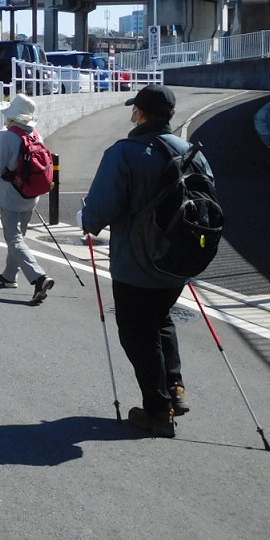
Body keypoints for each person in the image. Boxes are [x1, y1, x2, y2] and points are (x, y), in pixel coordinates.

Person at [81, 84, 196, 439]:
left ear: (141, 113)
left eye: (136, 109)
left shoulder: (124, 153)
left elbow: (99, 208)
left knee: (136, 334)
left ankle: (158, 412)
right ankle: (173, 386)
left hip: (136, 261)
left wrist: (88, 223)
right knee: (160, 319)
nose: (133, 114)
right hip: (178, 260)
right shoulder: (190, 151)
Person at [0, 93, 55, 304]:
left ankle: (38, 277)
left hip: (12, 194)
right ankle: (9, 276)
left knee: (13, 238)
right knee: (18, 238)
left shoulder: (9, 136)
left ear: (13, 115)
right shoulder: (36, 134)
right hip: (32, 194)